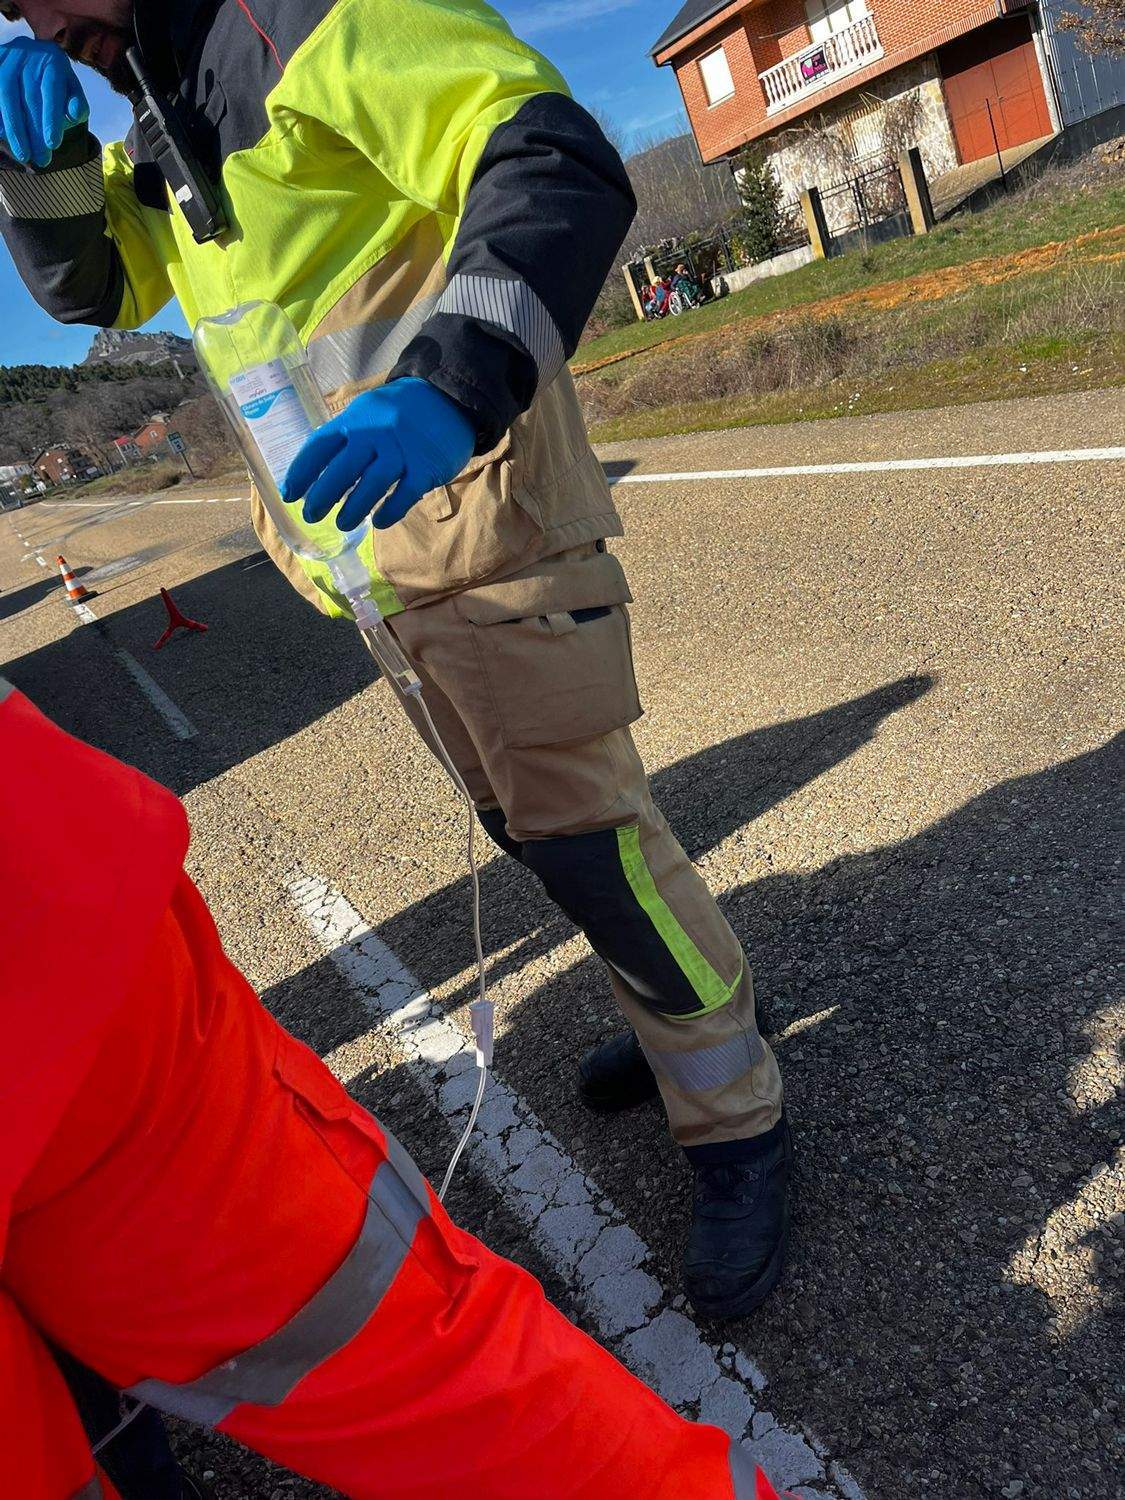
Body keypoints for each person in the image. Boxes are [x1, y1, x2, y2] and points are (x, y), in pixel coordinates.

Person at [0, 0, 789, 1318]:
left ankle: (736, 1119)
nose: (32, 14)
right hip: (380, 569)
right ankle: (676, 1042)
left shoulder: (315, 19)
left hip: (487, 519)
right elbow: (110, 291)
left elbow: (550, 156)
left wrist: (454, 377)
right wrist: (42, 178)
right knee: (538, 837)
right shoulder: (154, 108)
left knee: (603, 846)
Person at [0, 677, 785, 1500]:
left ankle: (734, 1116)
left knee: (596, 852)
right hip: (55, 906)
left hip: (55, 967)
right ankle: (696, 1059)